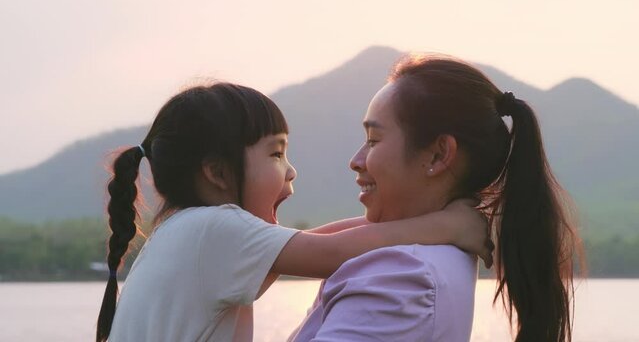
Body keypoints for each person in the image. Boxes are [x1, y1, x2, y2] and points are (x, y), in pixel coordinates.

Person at [95, 82, 493, 342]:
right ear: (217, 172)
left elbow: (324, 241)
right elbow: (332, 252)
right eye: (276, 153)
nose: (291, 169)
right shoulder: (213, 229)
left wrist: (420, 225)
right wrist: (448, 225)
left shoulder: (190, 235)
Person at [289, 54, 581, 342]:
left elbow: (282, 252)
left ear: (439, 155)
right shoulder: (429, 256)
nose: (355, 160)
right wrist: (446, 224)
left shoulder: (400, 279)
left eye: (374, 140)